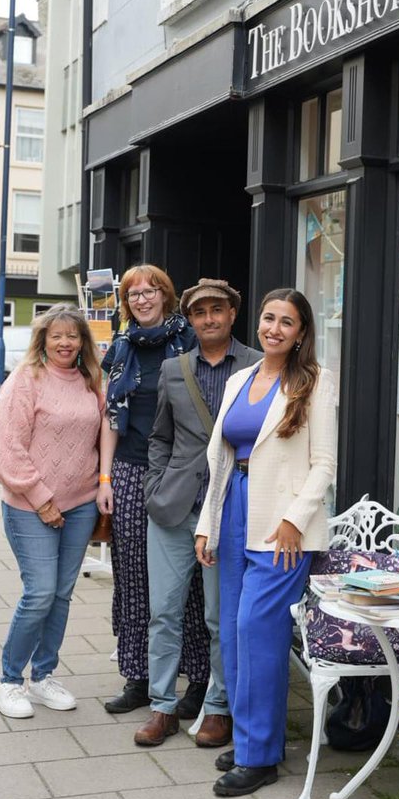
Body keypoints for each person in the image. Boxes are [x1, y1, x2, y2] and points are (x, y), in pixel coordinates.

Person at [196, 288, 337, 796]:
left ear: (301, 333)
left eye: (287, 322)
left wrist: (295, 519)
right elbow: (221, 457)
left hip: (283, 525)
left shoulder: (316, 383)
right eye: (268, 318)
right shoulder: (239, 379)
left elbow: (324, 464)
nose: (274, 328)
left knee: (258, 631)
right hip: (235, 507)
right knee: (233, 633)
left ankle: (259, 760)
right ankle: (255, 736)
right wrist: (207, 524)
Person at [134, 279, 260, 748]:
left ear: (232, 314)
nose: (209, 318)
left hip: (229, 510)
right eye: (200, 312)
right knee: (163, 612)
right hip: (174, 507)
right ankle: (162, 707)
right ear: (188, 318)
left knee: (219, 616)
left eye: (218, 310)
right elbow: (160, 436)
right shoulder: (173, 369)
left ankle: (218, 708)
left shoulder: (256, 366)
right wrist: (155, 486)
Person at [97, 264, 211, 716]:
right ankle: (138, 677)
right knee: (132, 577)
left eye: (150, 291)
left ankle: (198, 679)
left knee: (190, 580)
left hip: (180, 473)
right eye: (133, 294)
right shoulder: (122, 349)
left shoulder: (190, 343)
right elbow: (110, 418)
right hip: (127, 470)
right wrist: (104, 479)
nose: (142, 299)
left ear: (167, 295)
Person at [0, 305, 104, 718]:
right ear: (43, 340)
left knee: (59, 595)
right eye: (56, 336)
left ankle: (42, 676)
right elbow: (6, 450)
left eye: (72, 336)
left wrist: (99, 488)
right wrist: (42, 498)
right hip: (29, 506)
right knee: (38, 593)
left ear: (82, 342)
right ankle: (8, 682)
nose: (65, 343)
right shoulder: (25, 380)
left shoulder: (92, 382)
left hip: (80, 505)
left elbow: (101, 437)